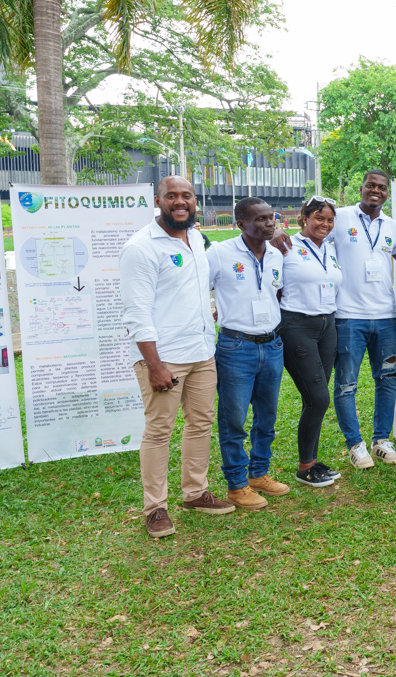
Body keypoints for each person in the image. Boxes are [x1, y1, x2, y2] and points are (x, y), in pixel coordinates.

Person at [121, 176, 233, 538]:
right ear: (159, 200)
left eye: (187, 196)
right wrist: (154, 365)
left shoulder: (196, 238)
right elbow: (136, 312)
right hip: (165, 358)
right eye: (172, 196)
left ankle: (195, 492)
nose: (180, 202)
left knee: (200, 424)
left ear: (195, 201)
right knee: (159, 431)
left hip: (202, 352)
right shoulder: (141, 247)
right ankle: (155, 508)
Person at [205, 197, 288, 510]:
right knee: (234, 421)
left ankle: (259, 474)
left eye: (272, 218)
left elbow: (275, 292)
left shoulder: (277, 255)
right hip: (235, 347)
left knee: (266, 417)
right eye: (261, 219)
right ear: (240, 224)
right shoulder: (220, 253)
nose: (269, 224)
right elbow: (200, 289)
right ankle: (237, 485)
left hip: (271, 344)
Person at [331, 171, 396, 469]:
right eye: (371, 186)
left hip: (386, 317)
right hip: (348, 318)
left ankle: (381, 441)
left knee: (387, 379)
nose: (376, 191)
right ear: (360, 188)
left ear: (387, 193)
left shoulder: (392, 226)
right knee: (346, 384)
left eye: (382, 188)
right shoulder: (339, 217)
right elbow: (309, 234)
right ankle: (355, 445)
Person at [280, 197, 345, 488]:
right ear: (303, 218)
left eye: (330, 220)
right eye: (319, 218)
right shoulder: (285, 246)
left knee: (315, 399)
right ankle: (305, 466)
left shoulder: (329, 248)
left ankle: (312, 460)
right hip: (297, 325)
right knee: (318, 398)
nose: (325, 225)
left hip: (327, 325)